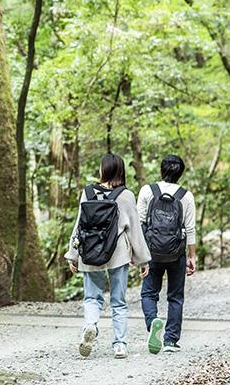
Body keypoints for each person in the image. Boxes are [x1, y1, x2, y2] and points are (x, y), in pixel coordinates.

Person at [65, 153, 151, 359]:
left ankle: (90, 325)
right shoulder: (126, 195)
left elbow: (79, 225)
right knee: (118, 301)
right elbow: (135, 231)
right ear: (121, 170)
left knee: (92, 297)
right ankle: (120, 345)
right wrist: (143, 260)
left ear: (103, 170)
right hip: (117, 253)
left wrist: (73, 254)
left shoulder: (87, 192)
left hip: (90, 250)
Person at [138, 154, 197, 354]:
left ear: (161, 170)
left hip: (151, 251)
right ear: (180, 173)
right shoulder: (186, 195)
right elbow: (190, 228)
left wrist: (137, 254)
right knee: (175, 297)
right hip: (176, 252)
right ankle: (170, 341)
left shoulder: (148, 190)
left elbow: (140, 224)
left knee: (148, 292)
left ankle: (152, 322)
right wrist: (192, 256)